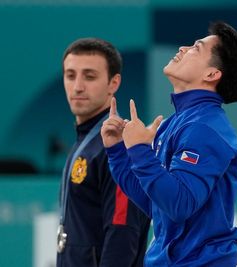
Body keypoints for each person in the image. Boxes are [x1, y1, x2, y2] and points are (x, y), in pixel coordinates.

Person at [101, 22, 237, 266]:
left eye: (196, 47)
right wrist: (118, 152)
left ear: (212, 74)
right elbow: (157, 205)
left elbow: (180, 204)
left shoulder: (204, 129)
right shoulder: (179, 122)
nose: (183, 48)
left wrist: (140, 151)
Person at [57, 37, 150, 267]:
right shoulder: (87, 140)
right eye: (70, 75)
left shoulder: (118, 145)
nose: (78, 86)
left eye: (89, 76)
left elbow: (123, 231)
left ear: (113, 83)